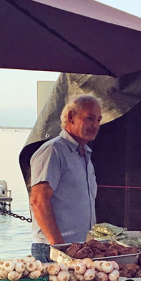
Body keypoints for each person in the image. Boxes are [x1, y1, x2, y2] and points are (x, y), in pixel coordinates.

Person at [29, 94, 102, 262]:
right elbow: (38, 201)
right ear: (71, 117)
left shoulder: (85, 155)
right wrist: (60, 249)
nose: (96, 125)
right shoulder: (53, 151)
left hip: (78, 248)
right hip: (53, 250)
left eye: (98, 120)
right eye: (90, 118)